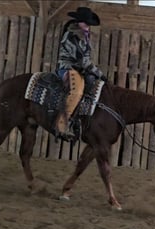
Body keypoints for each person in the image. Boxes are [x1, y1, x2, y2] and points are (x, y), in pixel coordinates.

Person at [55, 7, 107, 140]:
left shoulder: (83, 35)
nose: (88, 26)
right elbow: (83, 60)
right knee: (77, 91)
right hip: (67, 67)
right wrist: (99, 74)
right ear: (79, 22)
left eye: (89, 24)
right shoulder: (72, 36)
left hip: (79, 68)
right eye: (86, 23)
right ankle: (61, 125)